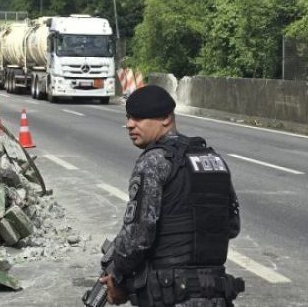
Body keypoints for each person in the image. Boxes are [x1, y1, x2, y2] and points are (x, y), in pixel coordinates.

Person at [97, 85, 243, 306]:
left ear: (166, 118)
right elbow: (232, 226)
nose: (129, 124)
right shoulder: (212, 159)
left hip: (170, 295)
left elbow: (138, 238)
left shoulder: (153, 161)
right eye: (128, 118)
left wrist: (117, 277)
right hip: (216, 294)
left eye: (139, 118)